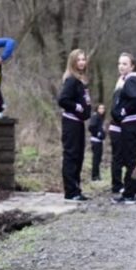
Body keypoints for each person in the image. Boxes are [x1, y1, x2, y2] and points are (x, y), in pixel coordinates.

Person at [111, 52, 136, 205]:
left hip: (131, 123)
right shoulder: (126, 80)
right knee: (130, 159)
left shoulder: (130, 80)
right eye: (119, 63)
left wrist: (123, 111)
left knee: (129, 160)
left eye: (125, 64)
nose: (121, 66)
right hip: (131, 123)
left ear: (132, 66)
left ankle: (129, 194)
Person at [58, 49, 92, 201]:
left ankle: (76, 189)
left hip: (79, 123)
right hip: (70, 123)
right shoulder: (71, 80)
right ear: (72, 62)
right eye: (78, 60)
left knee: (79, 157)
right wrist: (77, 107)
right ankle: (70, 192)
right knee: (71, 156)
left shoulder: (81, 80)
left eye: (83, 59)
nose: (82, 62)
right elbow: (63, 100)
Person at [88, 103, 106, 181]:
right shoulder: (95, 116)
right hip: (95, 140)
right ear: (97, 109)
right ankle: (94, 176)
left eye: (103, 108)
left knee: (98, 159)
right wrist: (97, 134)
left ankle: (97, 175)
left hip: (99, 141)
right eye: (100, 108)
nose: (102, 110)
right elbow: (91, 127)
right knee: (96, 159)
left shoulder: (100, 117)